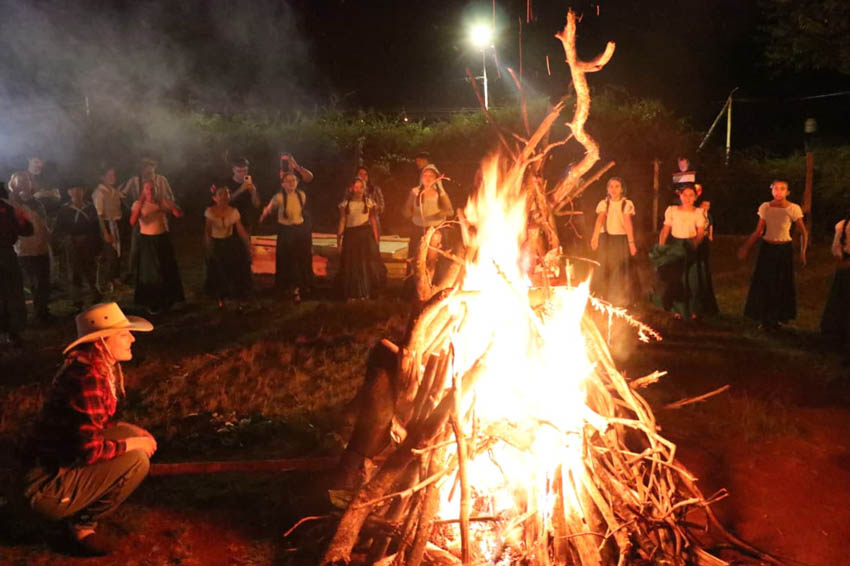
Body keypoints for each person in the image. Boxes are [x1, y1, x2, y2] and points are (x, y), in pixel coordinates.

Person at [21, 302, 155, 556]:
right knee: (137, 460)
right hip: (45, 485)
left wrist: (129, 430)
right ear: (102, 342)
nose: (132, 339)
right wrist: (134, 445)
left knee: (130, 436)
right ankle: (81, 524)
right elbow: (90, 450)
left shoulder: (93, 368)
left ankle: (77, 513)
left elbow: (90, 427)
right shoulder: (87, 379)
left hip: (59, 462)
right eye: (123, 334)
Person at [738, 180, 808, 329]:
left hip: (784, 249)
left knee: (781, 283)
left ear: (787, 192)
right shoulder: (766, 207)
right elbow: (758, 231)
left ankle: (779, 317)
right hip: (767, 248)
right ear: (771, 190)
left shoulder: (793, 208)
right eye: (775, 188)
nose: (778, 192)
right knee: (765, 282)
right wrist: (746, 247)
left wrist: (802, 252)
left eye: (782, 189)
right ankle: (763, 316)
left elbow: (803, 231)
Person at [650, 184, 708, 319]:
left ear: (695, 197)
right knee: (676, 279)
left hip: (690, 245)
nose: (687, 198)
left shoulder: (699, 212)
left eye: (691, 195)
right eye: (685, 195)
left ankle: (693, 310)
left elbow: (700, 232)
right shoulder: (672, 210)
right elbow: (665, 230)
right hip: (675, 246)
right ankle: (678, 310)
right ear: (680, 196)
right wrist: (661, 246)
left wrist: (695, 244)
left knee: (692, 279)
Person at [129, 181, 185, 314]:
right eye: (147, 188)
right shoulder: (138, 204)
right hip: (147, 240)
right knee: (151, 273)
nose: (150, 191)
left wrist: (169, 205)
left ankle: (169, 299)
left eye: (153, 188)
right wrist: (141, 203)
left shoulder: (163, 201)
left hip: (162, 239)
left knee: (166, 268)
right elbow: (132, 222)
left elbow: (178, 214)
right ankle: (151, 302)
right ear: (143, 190)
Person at [259, 170, 313, 302]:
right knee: (286, 260)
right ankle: (285, 288)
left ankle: (299, 288)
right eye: (288, 181)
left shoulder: (301, 195)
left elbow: (300, 210)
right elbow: (269, 208)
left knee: (300, 259)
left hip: (299, 230)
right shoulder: (279, 197)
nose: (291, 183)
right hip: (285, 231)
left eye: (293, 180)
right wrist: (263, 215)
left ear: (297, 182)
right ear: (283, 184)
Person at [121, 157, 177, 281]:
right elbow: (123, 195)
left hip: (158, 217)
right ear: (141, 168)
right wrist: (132, 207)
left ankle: (160, 270)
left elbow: (170, 196)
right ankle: (132, 272)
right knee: (135, 246)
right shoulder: (135, 180)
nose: (148, 170)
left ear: (154, 167)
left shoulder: (161, 180)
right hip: (141, 217)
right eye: (145, 167)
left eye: (151, 167)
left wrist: (166, 207)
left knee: (159, 246)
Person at [8, 171, 53, 322]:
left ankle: (42, 312)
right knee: (26, 284)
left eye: (26, 181)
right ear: (13, 185)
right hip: (23, 250)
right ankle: (22, 317)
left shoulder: (37, 202)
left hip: (41, 247)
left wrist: (48, 238)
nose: (23, 184)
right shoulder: (10, 204)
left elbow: (44, 223)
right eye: (19, 181)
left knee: (42, 282)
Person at [402, 164, 453, 293]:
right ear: (421, 177)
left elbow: (450, 211)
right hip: (419, 229)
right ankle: (415, 290)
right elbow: (406, 211)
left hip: (435, 230)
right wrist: (414, 212)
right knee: (417, 261)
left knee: (432, 260)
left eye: (431, 175)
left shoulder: (440, 193)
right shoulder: (415, 192)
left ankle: (431, 286)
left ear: (436, 177)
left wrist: (438, 213)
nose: (428, 178)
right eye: (425, 175)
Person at [54, 183, 103, 311]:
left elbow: (96, 227)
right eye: (73, 189)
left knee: (91, 268)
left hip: (89, 242)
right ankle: (77, 299)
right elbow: (59, 230)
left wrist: (97, 244)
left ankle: (95, 292)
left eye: (79, 189)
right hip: (73, 244)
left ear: (84, 191)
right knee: (74, 271)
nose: (76, 192)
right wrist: (67, 240)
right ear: (69, 192)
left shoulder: (91, 208)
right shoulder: (64, 210)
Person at [589, 177, 637, 306]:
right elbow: (599, 220)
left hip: (620, 239)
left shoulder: (626, 204)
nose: (614, 189)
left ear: (622, 189)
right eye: (611, 186)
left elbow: (628, 223)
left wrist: (631, 243)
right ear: (607, 189)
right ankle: (598, 296)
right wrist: (595, 237)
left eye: (617, 186)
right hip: (606, 239)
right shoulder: (604, 203)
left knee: (618, 269)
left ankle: (617, 299)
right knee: (602, 266)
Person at [337, 178, 386, 300]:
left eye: (361, 187)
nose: (358, 190)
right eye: (356, 187)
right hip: (351, 235)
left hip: (364, 235)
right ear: (351, 189)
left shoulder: (369, 203)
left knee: (364, 265)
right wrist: (338, 238)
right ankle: (351, 293)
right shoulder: (345, 204)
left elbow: (373, 220)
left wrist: (376, 239)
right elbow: (343, 220)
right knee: (351, 265)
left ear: (365, 189)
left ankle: (365, 292)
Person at [204, 185, 253, 306]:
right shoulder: (210, 212)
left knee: (232, 266)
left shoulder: (234, 212)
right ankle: (219, 295)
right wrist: (208, 245)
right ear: (215, 198)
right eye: (220, 194)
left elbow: (240, 229)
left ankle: (231, 294)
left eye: (226, 194)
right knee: (217, 268)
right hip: (216, 243)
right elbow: (208, 230)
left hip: (228, 242)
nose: (224, 197)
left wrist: (248, 245)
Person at [0, 182, 33, 347]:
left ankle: (13, 332)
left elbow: (26, 231)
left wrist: (22, 221)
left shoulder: (7, 209)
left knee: (13, 294)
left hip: (6, 255)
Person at [821, 210, 850, 357]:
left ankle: (837, 334)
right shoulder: (842, 226)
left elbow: (835, 249)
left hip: (844, 266)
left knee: (841, 302)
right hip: (846, 267)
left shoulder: (841, 225)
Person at [92, 166, 125, 293]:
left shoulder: (113, 190)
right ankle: (107, 280)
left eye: (114, 175)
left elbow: (123, 195)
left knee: (117, 251)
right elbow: (99, 215)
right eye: (109, 175)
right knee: (109, 252)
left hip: (116, 223)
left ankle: (115, 277)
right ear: (102, 177)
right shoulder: (99, 193)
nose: (113, 178)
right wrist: (105, 232)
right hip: (106, 224)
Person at [693, 184, 719, 316]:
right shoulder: (696, 213)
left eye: (707, 206)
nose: (705, 207)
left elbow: (711, 226)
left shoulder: (708, 216)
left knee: (703, 264)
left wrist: (710, 235)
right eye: (704, 205)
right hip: (695, 240)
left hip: (703, 243)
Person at [223, 157, 261, 234]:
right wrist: (240, 189)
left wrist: (253, 192)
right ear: (233, 170)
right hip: (229, 220)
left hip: (246, 221)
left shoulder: (251, 182)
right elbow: (224, 202)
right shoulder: (227, 182)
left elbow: (257, 204)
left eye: (245, 171)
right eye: (239, 171)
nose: (243, 174)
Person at [355, 166, 385, 236]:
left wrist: (372, 207)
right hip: (355, 225)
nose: (363, 176)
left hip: (371, 225)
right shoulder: (350, 191)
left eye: (365, 174)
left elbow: (382, 207)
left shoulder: (374, 189)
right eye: (360, 174)